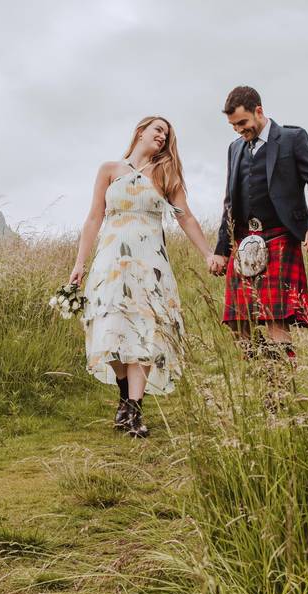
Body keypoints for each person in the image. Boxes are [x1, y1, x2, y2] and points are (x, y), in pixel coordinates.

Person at [70, 116, 220, 437]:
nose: (163, 137)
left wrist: (208, 253)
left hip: (149, 265)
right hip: (110, 262)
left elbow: (187, 218)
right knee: (110, 329)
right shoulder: (109, 170)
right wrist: (80, 263)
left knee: (146, 332)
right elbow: (94, 218)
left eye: (167, 135)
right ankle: (125, 397)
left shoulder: (166, 174)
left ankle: (134, 410)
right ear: (141, 131)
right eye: (158, 130)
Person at [207, 86, 308, 362]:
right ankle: (261, 370)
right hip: (242, 241)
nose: (238, 130)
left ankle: (282, 383)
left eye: (242, 123)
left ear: (259, 111)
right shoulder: (235, 148)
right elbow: (229, 202)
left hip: (280, 236)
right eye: (233, 125)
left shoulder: (292, 138)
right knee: (237, 320)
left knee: (276, 316)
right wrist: (221, 250)